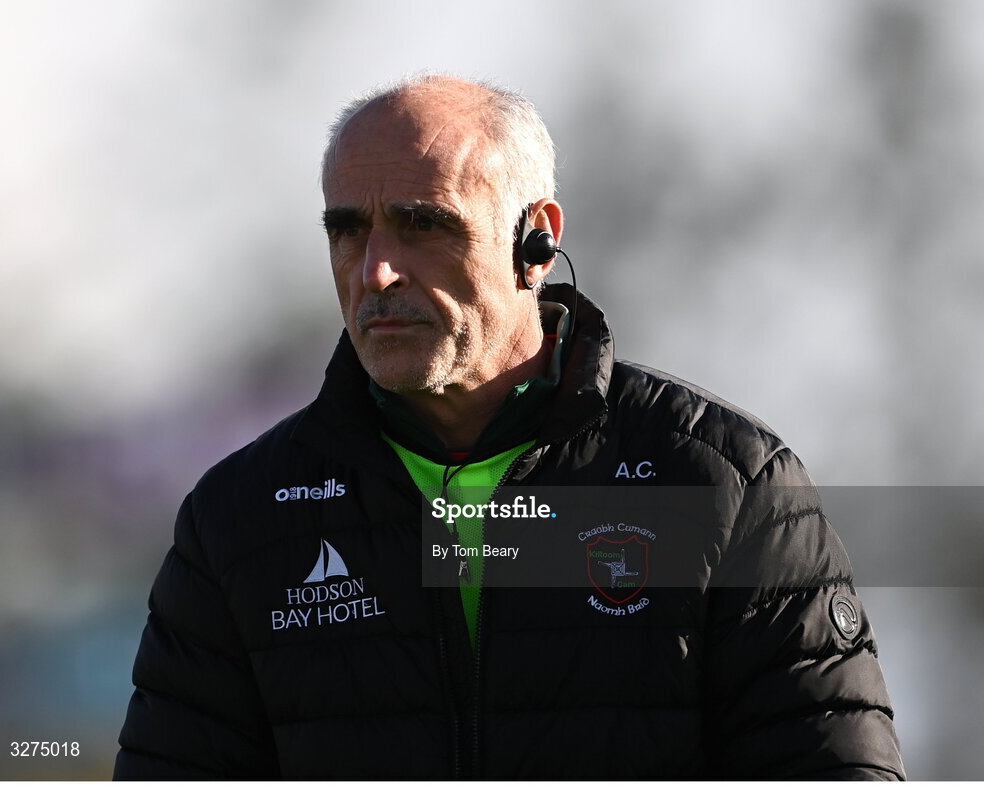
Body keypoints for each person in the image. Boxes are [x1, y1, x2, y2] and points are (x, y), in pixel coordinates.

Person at [114, 74, 905, 780]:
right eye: (349, 229)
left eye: (424, 225)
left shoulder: (727, 487)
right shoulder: (239, 520)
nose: (375, 272)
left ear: (537, 241)